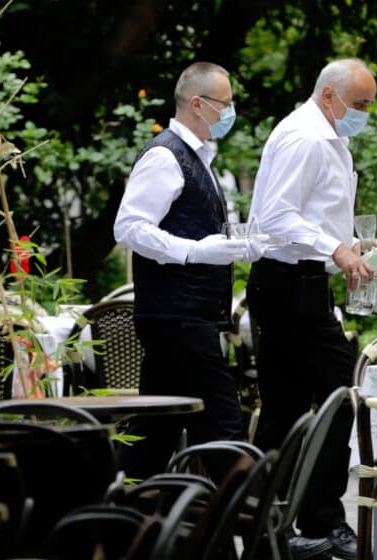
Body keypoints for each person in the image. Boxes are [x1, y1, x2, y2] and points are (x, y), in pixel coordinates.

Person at [245, 58, 377, 560]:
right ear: (329, 96)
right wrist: (335, 249)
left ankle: (267, 518)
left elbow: (313, 213)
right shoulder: (305, 137)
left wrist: (346, 246)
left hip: (298, 283)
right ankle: (316, 518)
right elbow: (276, 215)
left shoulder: (325, 136)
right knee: (337, 396)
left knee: (285, 408)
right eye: (360, 104)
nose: (364, 114)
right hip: (287, 283)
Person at [113, 62, 258, 481]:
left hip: (181, 318)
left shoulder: (198, 157)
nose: (230, 112)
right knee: (223, 429)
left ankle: (119, 523)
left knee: (155, 431)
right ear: (198, 103)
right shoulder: (165, 155)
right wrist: (195, 252)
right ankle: (251, 531)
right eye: (225, 104)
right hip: (178, 319)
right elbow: (130, 227)